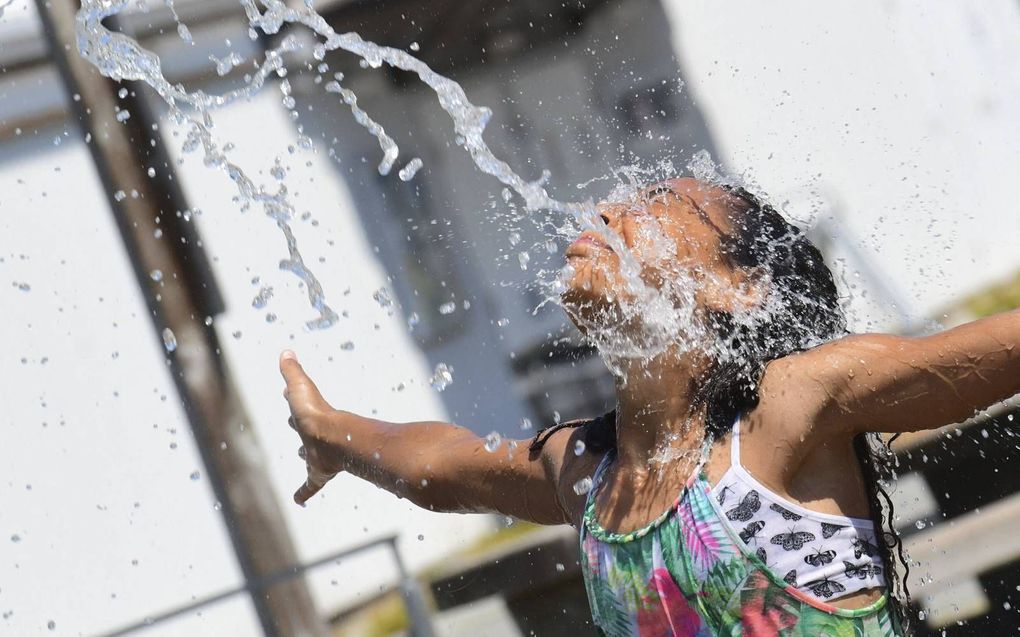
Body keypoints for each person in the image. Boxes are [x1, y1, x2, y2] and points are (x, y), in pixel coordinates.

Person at [279, 177, 1019, 636]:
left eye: (657, 204)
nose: (606, 211)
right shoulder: (591, 473)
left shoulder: (785, 409)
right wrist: (331, 433)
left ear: (739, 287)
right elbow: (445, 468)